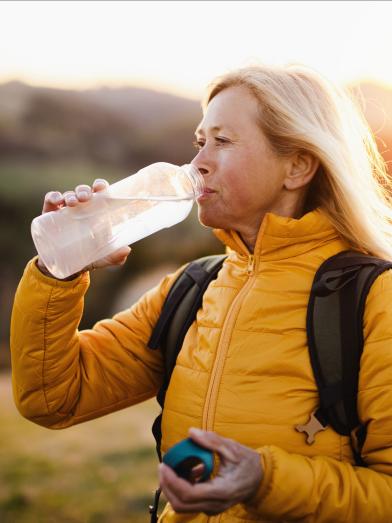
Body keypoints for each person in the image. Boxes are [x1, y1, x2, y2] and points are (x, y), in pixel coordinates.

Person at [10, 64, 392, 522]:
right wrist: (60, 270)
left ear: (297, 166)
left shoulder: (373, 298)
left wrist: (263, 480)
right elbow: (51, 399)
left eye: (223, 141)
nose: (197, 163)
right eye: (199, 142)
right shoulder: (192, 289)